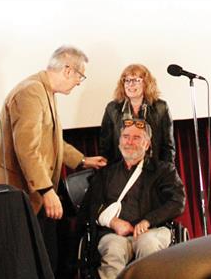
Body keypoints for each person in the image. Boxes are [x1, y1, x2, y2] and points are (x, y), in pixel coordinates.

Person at [0, 45, 107, 272]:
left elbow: (52, 140)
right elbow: (27, 148)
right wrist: (47, 191)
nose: (79, 82)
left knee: (48, 257)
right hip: (20, 195)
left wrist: (82, 160)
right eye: (80, 75)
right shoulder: (31, 92)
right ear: (68, 70)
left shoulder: (44, 90)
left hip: (32, 194)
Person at [79, 118, 185, 279]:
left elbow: (177, 202)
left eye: (137, 138)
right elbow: (90, 206)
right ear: (119, 141)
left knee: (147, 245)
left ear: (147, 144)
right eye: (126, 137)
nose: (130, 142)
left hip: (153, 230)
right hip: (115, 234)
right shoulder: (105, 173)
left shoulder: (164, 171)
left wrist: (148, 221)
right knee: (113, 249)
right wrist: (113, 222)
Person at [99, 64, 175, 164]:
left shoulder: (161, 107)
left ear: (146, 83)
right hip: (122, 169)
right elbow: (105, 147)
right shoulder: (112, 108)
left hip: (153, 168)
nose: (130, 84)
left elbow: (168, 147)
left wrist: (166, 173)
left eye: (135, 80)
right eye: (127, 80)